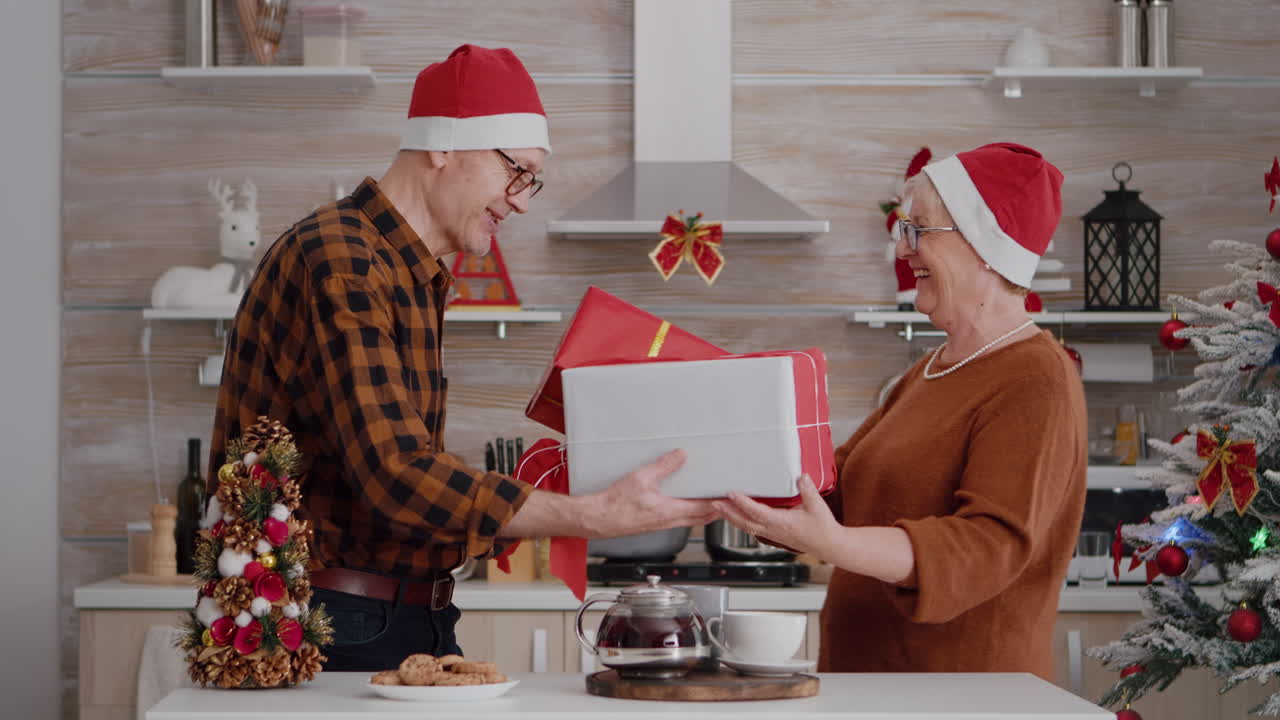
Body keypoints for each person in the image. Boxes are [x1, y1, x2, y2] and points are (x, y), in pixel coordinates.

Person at [209, 44, 718, 672]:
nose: (522, 200)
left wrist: (512, 513)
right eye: (516, 171)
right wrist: (590, 516)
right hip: (340, 624)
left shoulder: (404, 268)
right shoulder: (345, 259)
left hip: (389, 617)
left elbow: (385, 477)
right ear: (443, 146)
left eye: (531, 179)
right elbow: (394, 471)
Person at [715, 143, 1087, 681]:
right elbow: (838, 491)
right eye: (903, 230)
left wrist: (835, 544)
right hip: (874, 684)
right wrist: (726, 469)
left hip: (961, 698)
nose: (904, 250)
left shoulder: (1036, 379)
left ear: (984, 247)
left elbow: (986, 546)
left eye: (919, 231)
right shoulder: (933, 368)